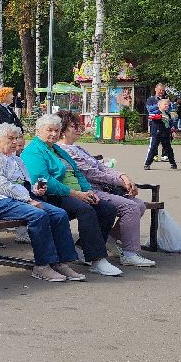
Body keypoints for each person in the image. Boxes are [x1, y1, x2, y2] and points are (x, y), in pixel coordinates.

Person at [0, 123, 84, 283]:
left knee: (59, 214)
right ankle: (42, 265)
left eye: (15, 138)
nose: (14, 142)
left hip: (19, 199)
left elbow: (25, 183)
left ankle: (61, 262)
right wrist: (28, 199)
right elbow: (0, 185)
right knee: (38, 215)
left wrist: (35, 190)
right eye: (10, 139)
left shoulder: (16, 159)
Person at [20, 113, 123, 277]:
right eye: (49, 130)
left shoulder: (57, 148)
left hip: (75, 193)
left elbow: (77, 172)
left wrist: (87, 190)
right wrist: (74, 193)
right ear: (38, 131)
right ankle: (97, 259)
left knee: (107, 208)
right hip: (52, 196)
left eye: (56, 130)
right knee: (85, 210)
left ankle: (84, 247)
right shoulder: (33, 151)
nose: (54, 134)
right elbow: (43, 181)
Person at [57, 112, 156, 267]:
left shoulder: (77, 148)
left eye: (79, 125)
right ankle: (130, 253)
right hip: (89, 189)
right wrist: (121, 181)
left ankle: (110, 238)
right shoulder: (64, 150)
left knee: (140, 205)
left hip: (104, 188)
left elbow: (102, 166)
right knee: (130, 207)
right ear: (62, 130)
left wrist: (123, 176)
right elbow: (91, 173)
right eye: (73, 126)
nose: (78, 128)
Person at [144, 83, 178, 170]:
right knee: (153, 148)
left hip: (165, 133)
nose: (167, 106)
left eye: (167, 105)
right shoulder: (152, 102)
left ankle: (173, 163)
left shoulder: (167, 113)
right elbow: (150, 115)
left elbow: (171, 122)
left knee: (168, 148)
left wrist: (173, 131)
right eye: (160, 90)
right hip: (156, 132)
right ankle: (147, 163)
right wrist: (160, 115)